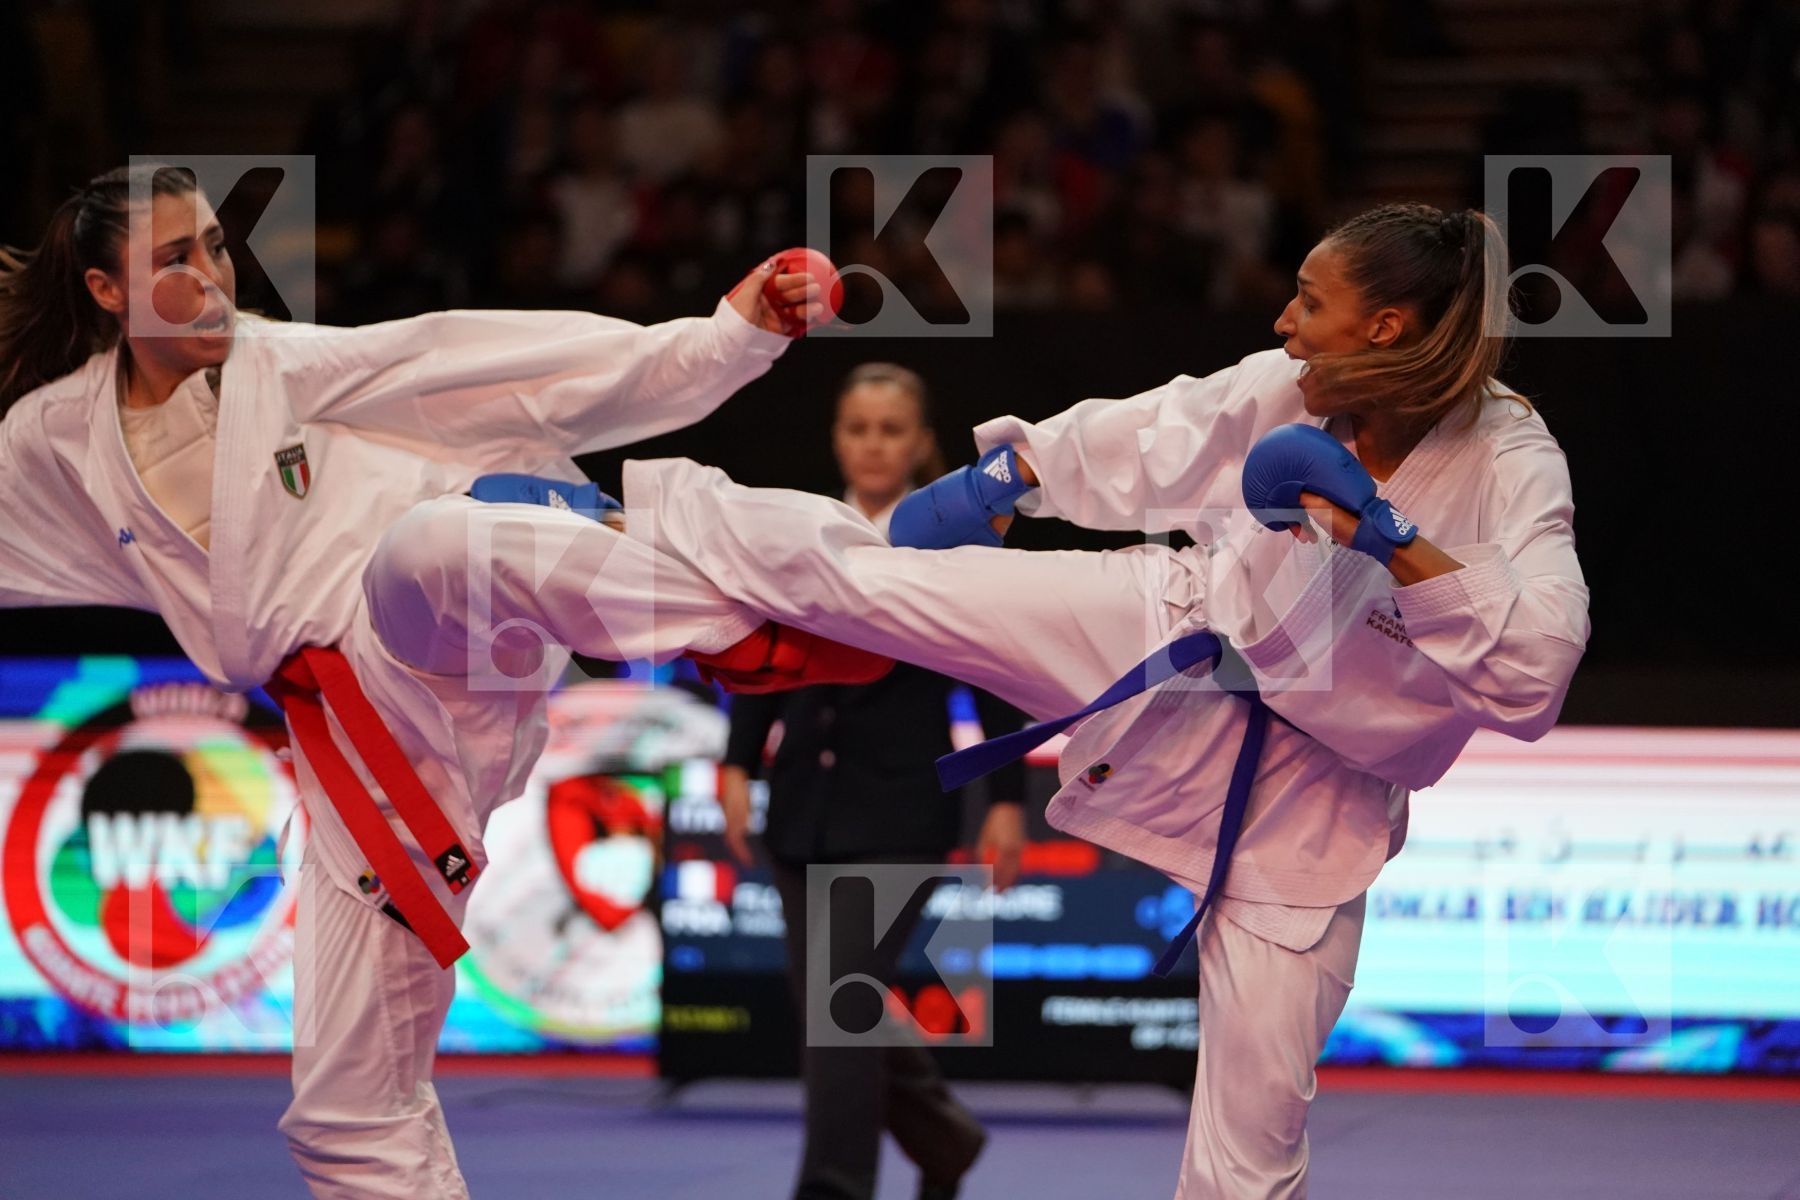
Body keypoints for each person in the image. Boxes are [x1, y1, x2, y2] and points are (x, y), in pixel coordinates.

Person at [608, 203, 1591, 1197]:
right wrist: (1012, 474)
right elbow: (1161, 430)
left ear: (1384, 327)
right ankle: (622, 524)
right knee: (890, 587)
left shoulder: (1511, 461)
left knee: (1251, 1141)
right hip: (1183, 636)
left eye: (1310, 300)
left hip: (1320, 802)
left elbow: (1535, 675)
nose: (1285, 322)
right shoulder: (1288, 388)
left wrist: (1385, 534)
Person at [0, 163, 888, 1199]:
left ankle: (743, 621)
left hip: (427, 651)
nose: (209, 278)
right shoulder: (56, 441)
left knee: (429, 544)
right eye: (172, 260)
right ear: (106, 292)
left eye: (214, 247)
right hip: (351, 752)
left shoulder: (285, 365)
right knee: (344, 1114)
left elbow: (504, 365)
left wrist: (724, 338)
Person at [717, 363, 1027, 1200]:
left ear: (922, 441)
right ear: (837, 436)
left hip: (901, 809)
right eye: (858, 427)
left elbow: (995, 673)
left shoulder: (960, 534)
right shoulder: (799, 527)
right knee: (840, 1009)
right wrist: (739, 762)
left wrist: (1004, 801)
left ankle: (835, 1188)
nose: (873, 444)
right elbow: (761, 652)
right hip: (801, 814)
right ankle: (945, 1138)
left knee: (836, 1004)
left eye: (891, 429)